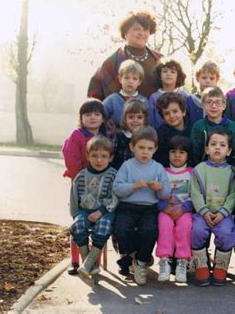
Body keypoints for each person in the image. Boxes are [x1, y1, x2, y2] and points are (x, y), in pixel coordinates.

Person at [113, 126, 171, 285]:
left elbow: (166, 193)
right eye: (141, 147)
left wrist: (160, 188)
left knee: (150, 230)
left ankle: (140, 262)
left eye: (149, 148)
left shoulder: (158, 168)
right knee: (122, 228)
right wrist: (133, 186)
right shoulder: (127, 166)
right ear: (132, 147)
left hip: (149, 209)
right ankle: (131, 256)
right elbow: (117, 189)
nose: (145, 152)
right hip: (127, 206)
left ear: (155, 149)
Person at [62, 98, 105, 275]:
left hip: (101, 186)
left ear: (102, 117)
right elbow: (71, 158)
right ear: (81, 117)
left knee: (99, 224)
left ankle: (95, 262)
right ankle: (74, 261)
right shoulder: (77, 135)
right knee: (78, 222)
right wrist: (82, 179)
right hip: (81, 185)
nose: (92, 118)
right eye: (88, 114)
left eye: (97, 114)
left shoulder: (104, 136)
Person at [190, 128, 235, 286]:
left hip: (223, 215)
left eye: (222, 145)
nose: (217, 148)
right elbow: (195, 193)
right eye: (213, 144)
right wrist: (204, 212)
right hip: (203, 213)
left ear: (228, 151)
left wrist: (223, 213)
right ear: (206, 149)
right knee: (196, 231)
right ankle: (201, 264)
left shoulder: (231, 172)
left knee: (226, 232)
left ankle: (220, 265)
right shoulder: (199, 170)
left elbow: (233, 195)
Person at [69, 136, 118, 278]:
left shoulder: (113, 175)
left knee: (103, 227)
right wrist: (76, 215)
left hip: (105, 211)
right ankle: (89, 263)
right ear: (87, 156)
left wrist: (100, 211)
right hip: (84, 211)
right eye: (94, 156)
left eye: (104, 156)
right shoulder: (81, 176)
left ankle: (89, 262)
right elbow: (74, 198)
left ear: (110, 157)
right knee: (78, 226)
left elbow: (115, 198)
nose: (99, 160)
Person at [88, 10, 162, 100]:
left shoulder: (160, 60)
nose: (142, 33)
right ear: (125, 33)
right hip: (123, 113)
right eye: (136, 29)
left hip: (156, 113)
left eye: (145, 29)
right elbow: (94, 97)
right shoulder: (112, 62)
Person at [156, 136, 194, 283]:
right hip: (166, 210)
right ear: (168, 154)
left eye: (181, 152)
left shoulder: (191, 173)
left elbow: (195, 195)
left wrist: (184, 208)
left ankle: (182, 262)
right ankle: (164, 261)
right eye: (173, 151)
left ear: (187, 155)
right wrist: (165, 207)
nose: (177, 155)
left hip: (184, 211)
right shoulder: (162, 172)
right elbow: (156, 194)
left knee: (185, 226)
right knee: (164, 225)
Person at [190, 86, 235, 166]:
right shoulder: (198, 126)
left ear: (224, 106)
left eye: (218, 102)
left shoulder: (232, 126)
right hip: (203, 169)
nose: (213, 106)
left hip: (227, 170)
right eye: (209, 102)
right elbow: (194, 153)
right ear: (203, 105)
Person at [102, 59, 150, 133]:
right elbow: (100, 115)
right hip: (116, 137)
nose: (130, 81)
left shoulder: (144, 101)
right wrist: (107, 123)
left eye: (134, 79)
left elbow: (149, 122)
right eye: (126, 78)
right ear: (120, 79)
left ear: (139, 82)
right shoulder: (112, 99)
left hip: (139, 136)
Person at [153, 92, 192, 167]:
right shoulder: (160, 134)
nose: (171, 116)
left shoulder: (191, 130)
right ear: (162, 116)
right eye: (167, 113)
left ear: (183, 112)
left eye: (175, 111)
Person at [149, 59, 189, 128]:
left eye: (172, 72)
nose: (168, 74)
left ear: (178, 76)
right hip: (160, 133)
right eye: (165, 71)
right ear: (159, 76)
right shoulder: (154, 97)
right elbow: (151, 119)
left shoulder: (184, 95)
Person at [111, 99, 149, 171]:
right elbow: (112, 158)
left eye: (139, 117)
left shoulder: (148, 136)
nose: (135, 120)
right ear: (125, 119)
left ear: (145, 119)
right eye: (131, 117)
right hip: (121, 173)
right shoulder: (119, 136)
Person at [186, 61, 221, 127]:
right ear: (197, 79)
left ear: (217, 80)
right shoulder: (190, 100)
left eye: (212, 78)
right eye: (204, 78)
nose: (208, 81)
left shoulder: (220, 101)